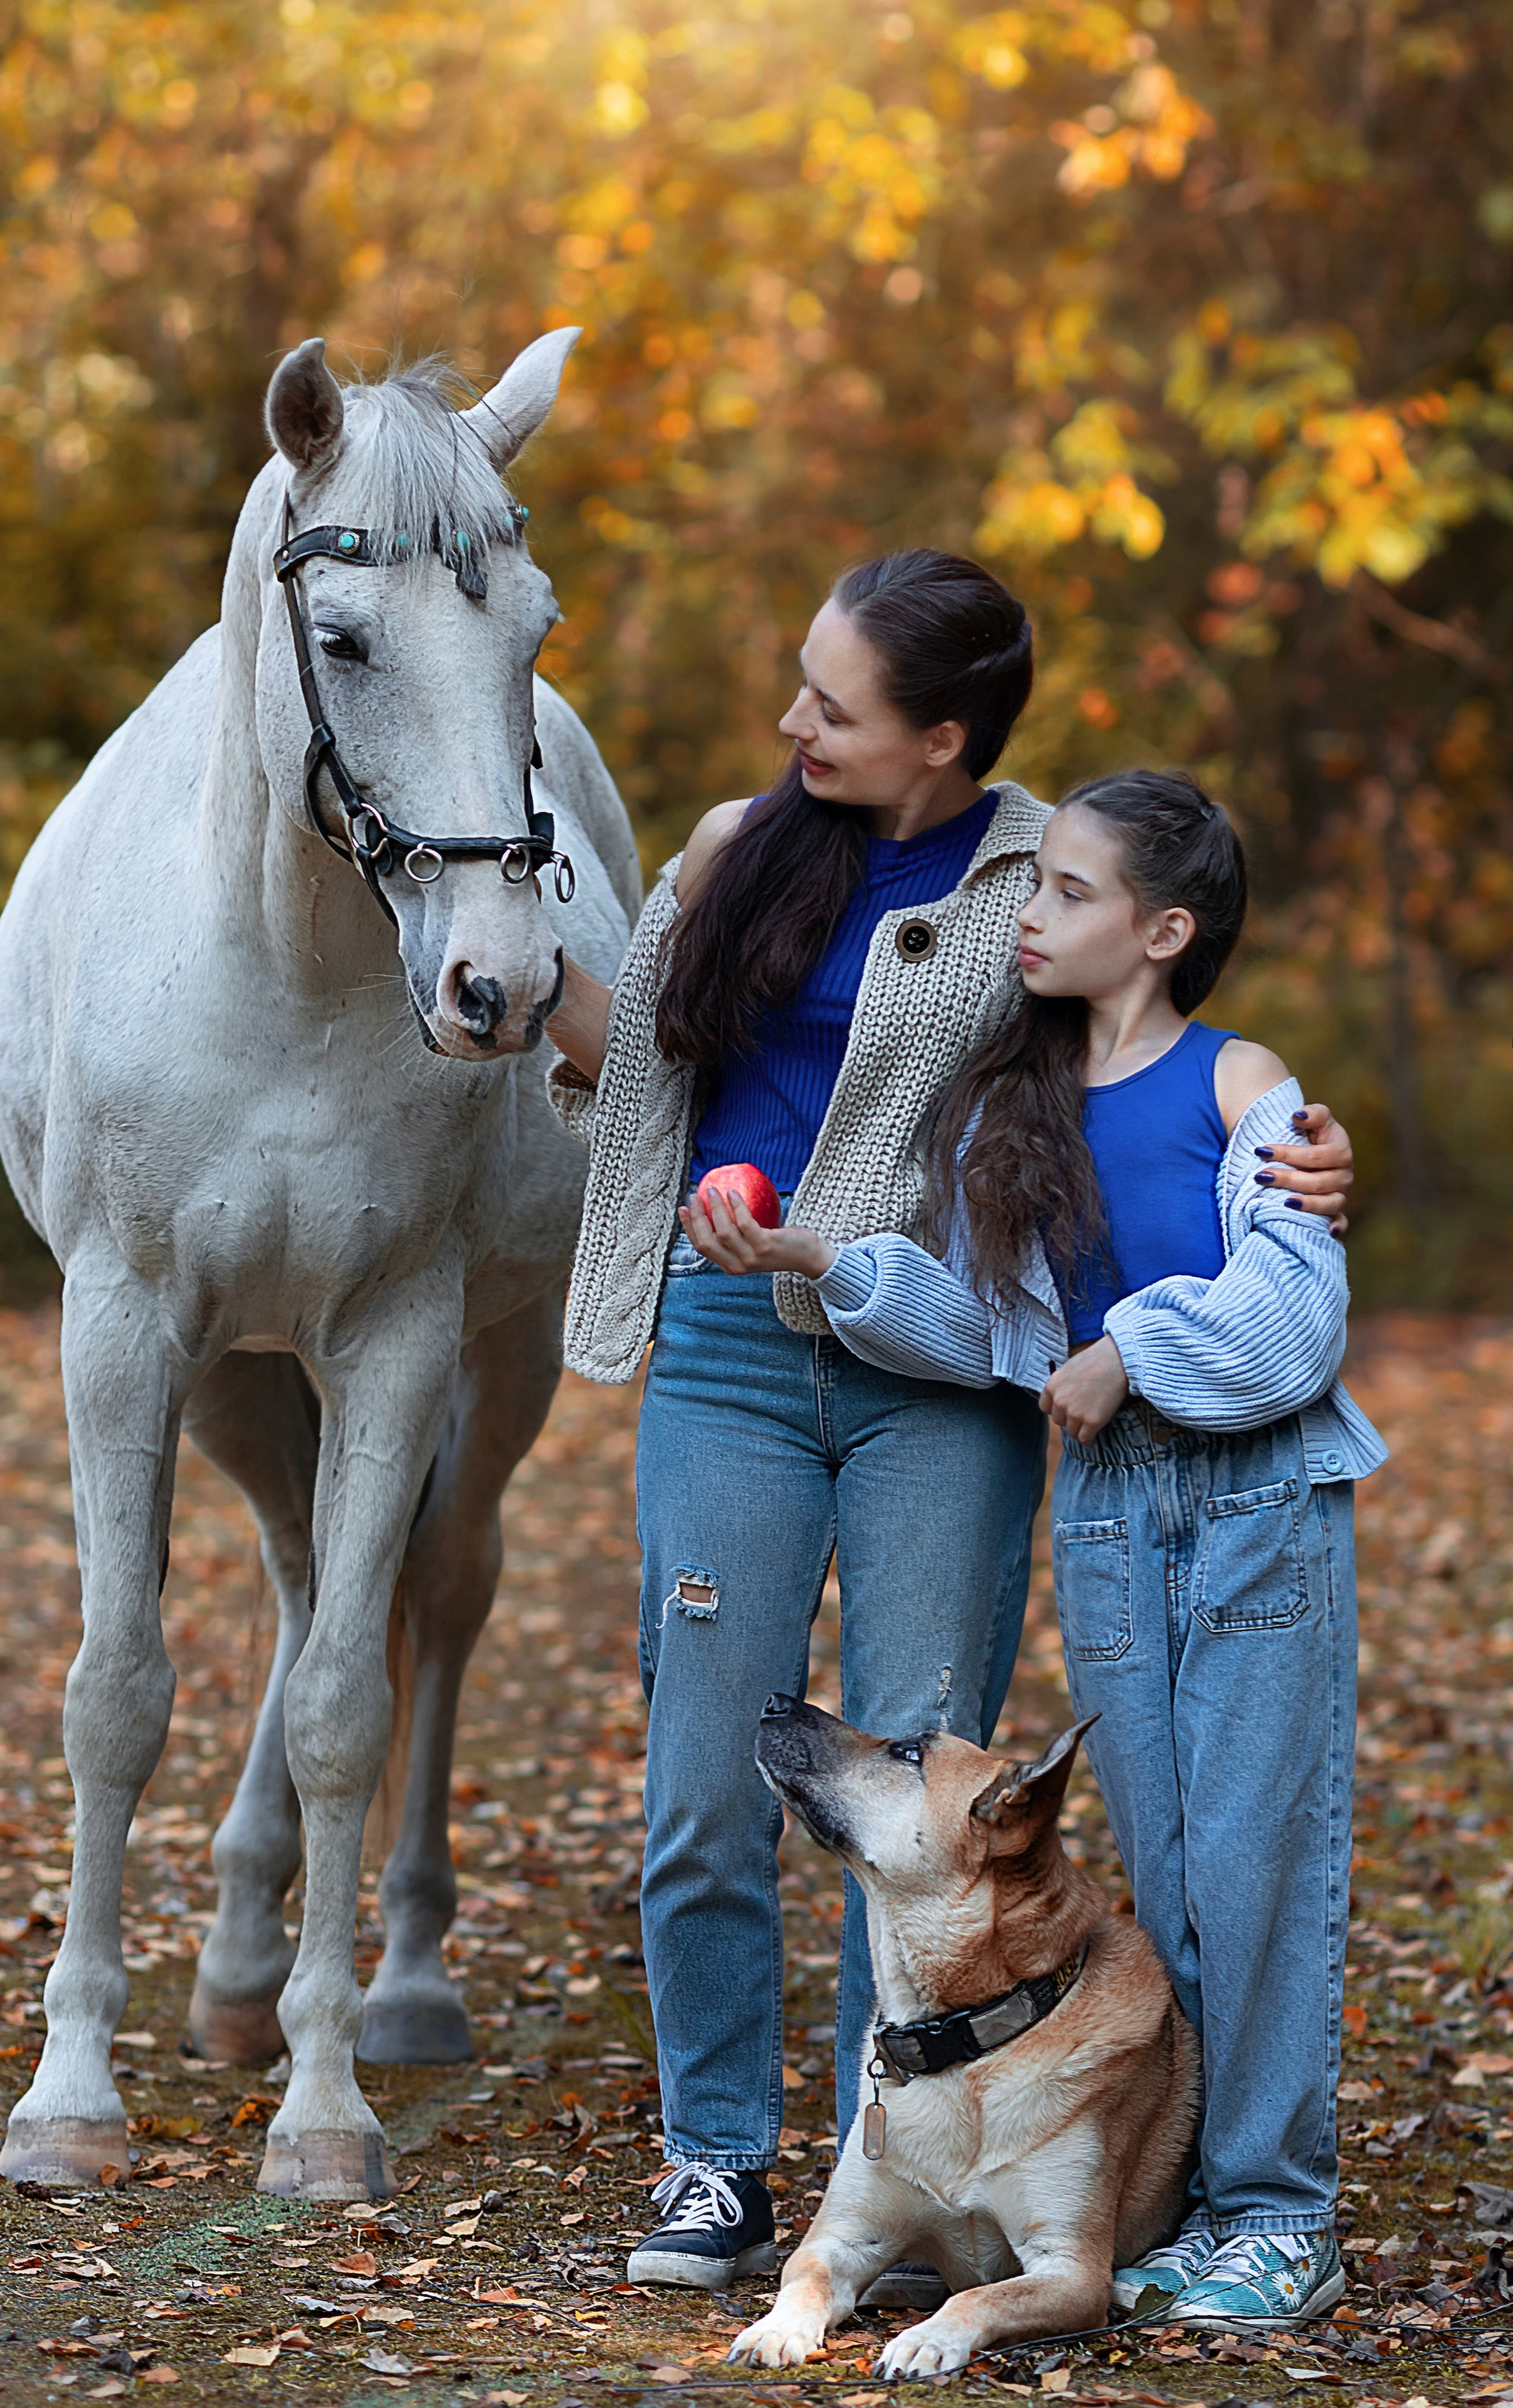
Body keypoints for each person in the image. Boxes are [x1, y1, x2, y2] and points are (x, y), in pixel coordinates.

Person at [543, 557, 1354, 2297]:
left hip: (947, 1375)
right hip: (733, 1346)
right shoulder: (729, 850)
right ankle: (713, 2159)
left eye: (833, 707)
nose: (792, 725)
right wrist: (536, 991)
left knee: (919, 1793)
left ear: (946, 736)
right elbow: (650, 1068)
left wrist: (1289, 1147)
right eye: (800, 686)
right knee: (706, 1780)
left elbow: (1148, 1039)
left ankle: (891, 2166)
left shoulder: (1041, 879)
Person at [684, 767, 1381, 2333]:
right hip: (1116, 1510)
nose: (1031, 911)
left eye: (1067, 891)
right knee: (1172, 1872)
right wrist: (818, 1253)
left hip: (1255, 1500)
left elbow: (1298, 1308)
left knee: (1259, 1859)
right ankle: (1190, 2190)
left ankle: (1282, 2209)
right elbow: (992, 1328)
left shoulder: (1233, 1081)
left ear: (1162, 929)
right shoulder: (1024, 1105)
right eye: (1035, 881)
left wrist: (1127, 1348)